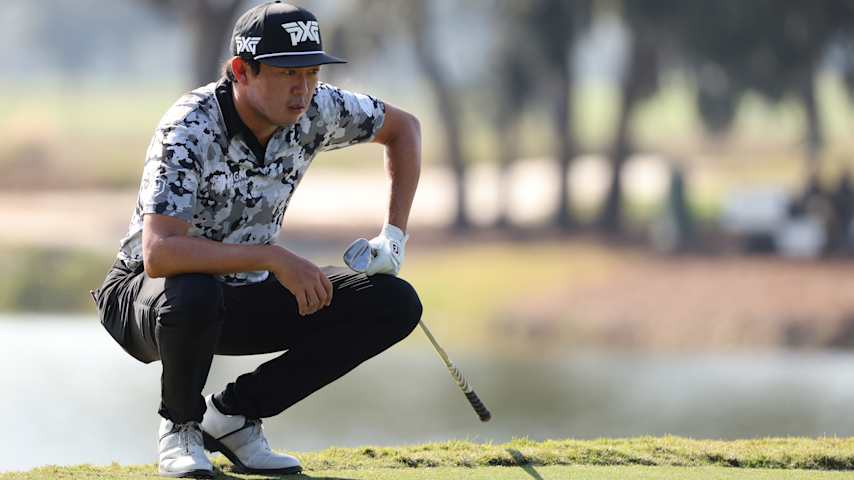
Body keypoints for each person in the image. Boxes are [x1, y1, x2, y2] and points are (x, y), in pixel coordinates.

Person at [91, 2, 422, 477]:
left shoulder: (317, 108)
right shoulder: (189, 125)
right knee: (196, 287)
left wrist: (394, 237)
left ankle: (233, 416)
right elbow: (160, 253)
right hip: (146, 295)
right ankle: (180, 427)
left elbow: (404, 129)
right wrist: (275, 258)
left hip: (242, 293)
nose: (303, 89)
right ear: (241, 71)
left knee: (393, 303)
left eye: (310, 72)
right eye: (288, 73)